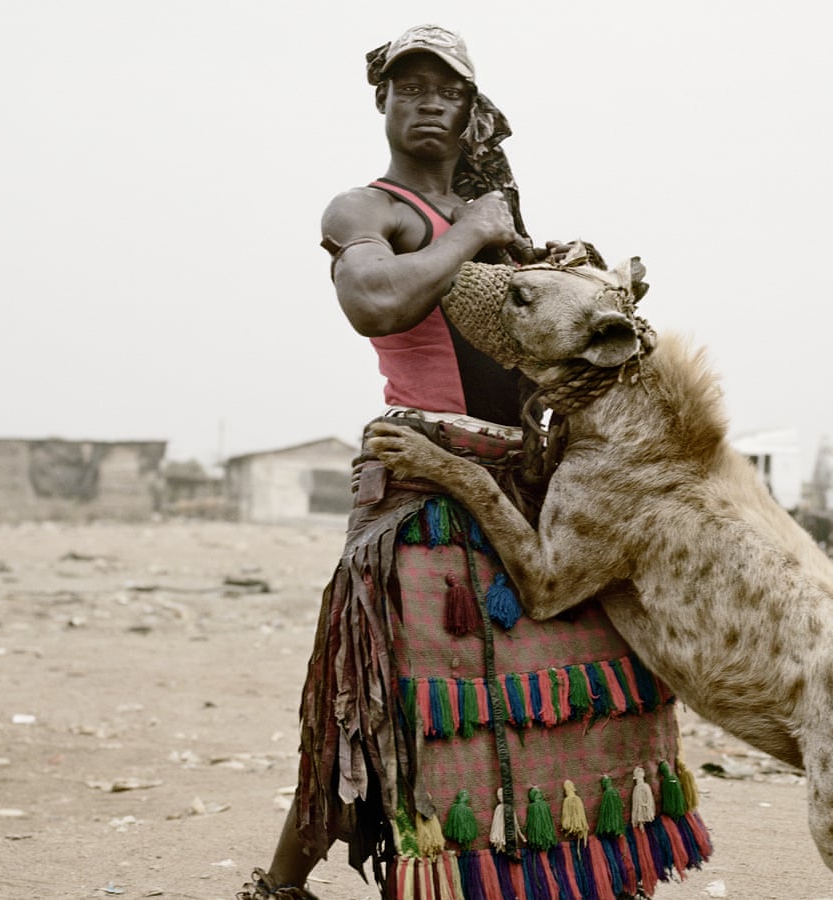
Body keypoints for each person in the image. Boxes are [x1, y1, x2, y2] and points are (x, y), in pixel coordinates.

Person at [239, 24, 712, 900]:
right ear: (382, 100)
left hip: (533, 485)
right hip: (425, 483)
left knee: (599, 688)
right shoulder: (365, 210)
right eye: (410, 87)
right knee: (384, 710)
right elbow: (374, 302)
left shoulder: (501, 219)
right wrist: (472, 234)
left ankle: (585, 877)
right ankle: (278, 888)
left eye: (446, 91)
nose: (427, 102)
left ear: (469, 111)